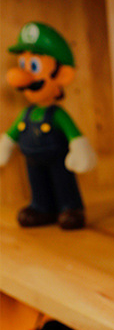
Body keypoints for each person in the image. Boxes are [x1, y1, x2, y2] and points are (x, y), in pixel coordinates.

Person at [0, 22, 96, 229]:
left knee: (63, 182)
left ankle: (70, 208)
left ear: (62, 75)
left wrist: (80, 150)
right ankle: (42, 207)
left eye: (33, 66)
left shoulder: (57, 114)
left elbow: (74, 134)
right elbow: (12, 132)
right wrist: (5, 145)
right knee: (37, 184)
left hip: (58, 159)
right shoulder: (26, 113)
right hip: (32, 161)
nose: (24, 77)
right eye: (23, 66)